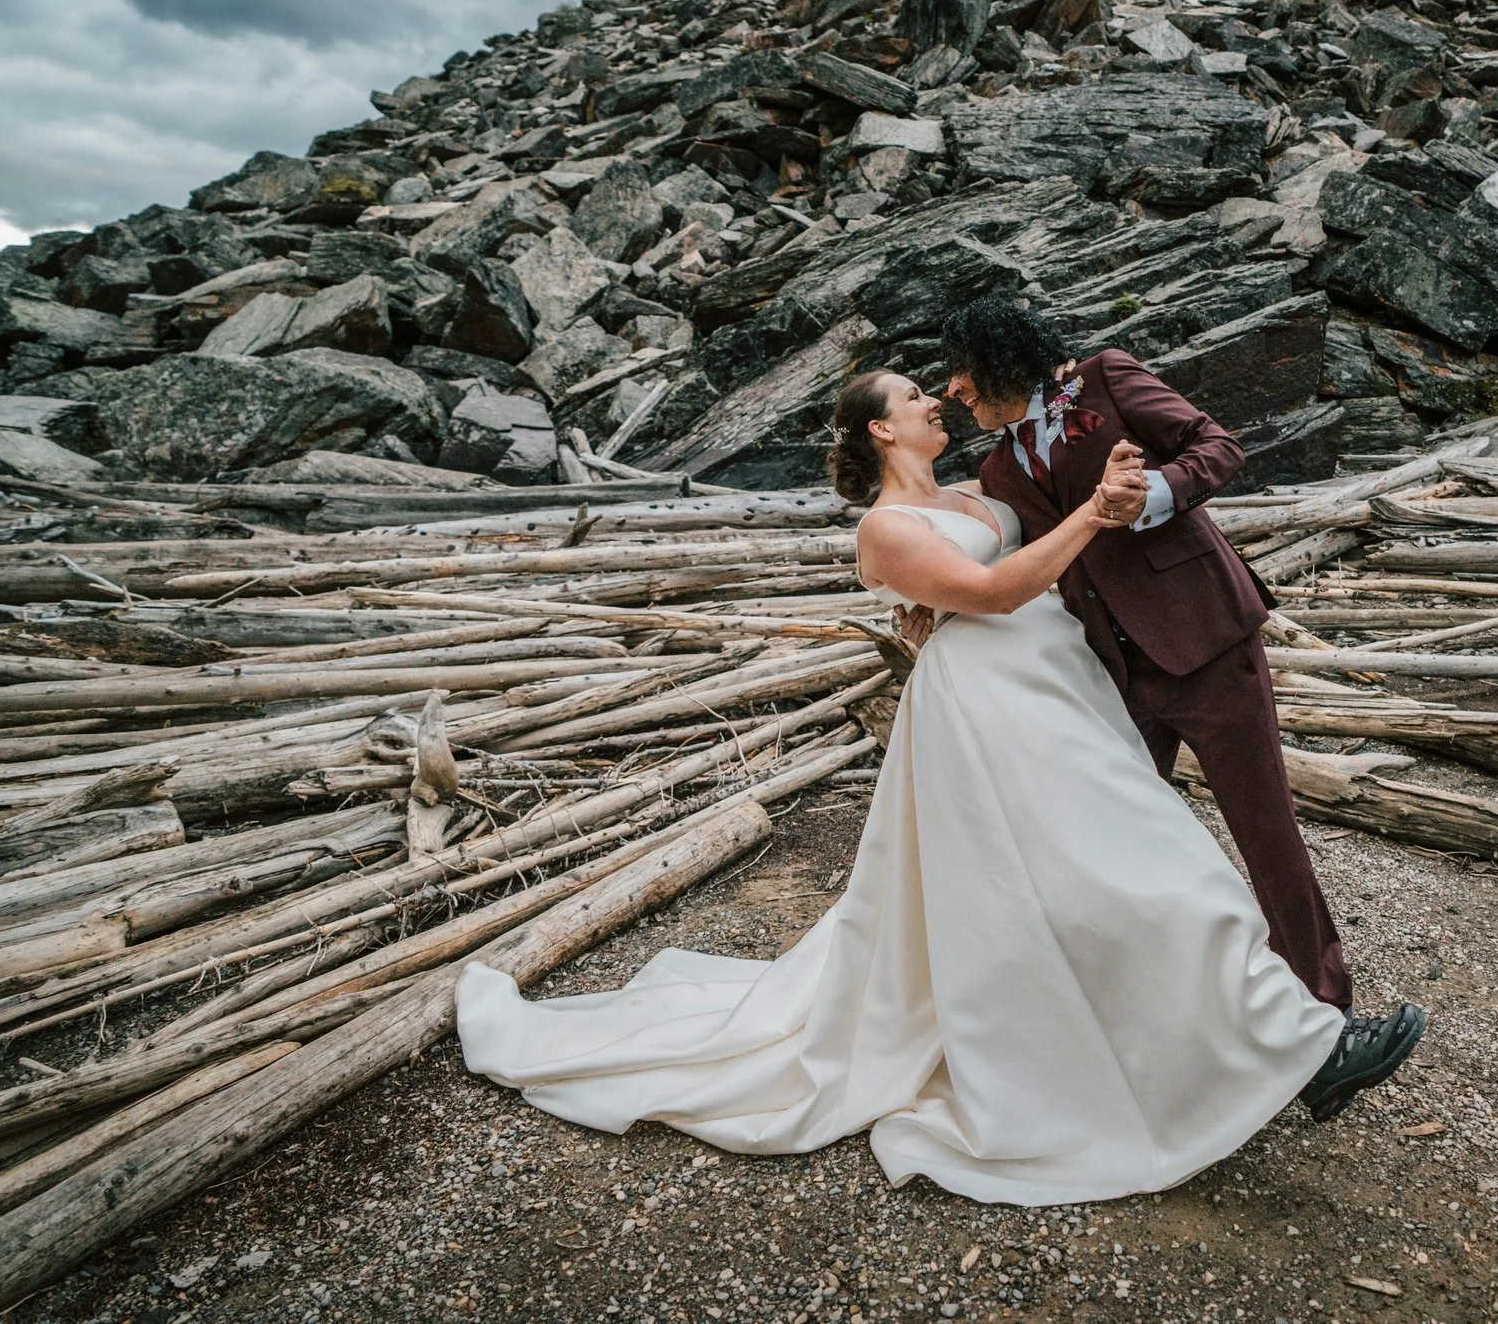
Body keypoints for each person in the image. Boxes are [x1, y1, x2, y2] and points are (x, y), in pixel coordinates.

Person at [456, 369, 1378, 1205]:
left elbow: (1066, 509)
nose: (935, 400)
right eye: (911, 398)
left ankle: (1211, 1042)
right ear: (880, 432)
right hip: (994, 714)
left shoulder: (984, 489)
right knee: (1154, 872)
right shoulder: (884, 530)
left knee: (1126, 872)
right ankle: (1294, 1047)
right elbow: (992, 594)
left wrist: (1109, 464)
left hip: (1068, 692)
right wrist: (1095, 512)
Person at [939, 293, 1423, 1115]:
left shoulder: (1109, 381)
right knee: (1117, 848)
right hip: (1112, 678)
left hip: (1206, 639)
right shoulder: (996, 471)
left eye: (960, 370)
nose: (952, 389)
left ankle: (1323, 1031)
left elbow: (1219, 445)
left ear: (997, 357)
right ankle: (1132, 1030)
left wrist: (1156, 493)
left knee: (1264, 830)